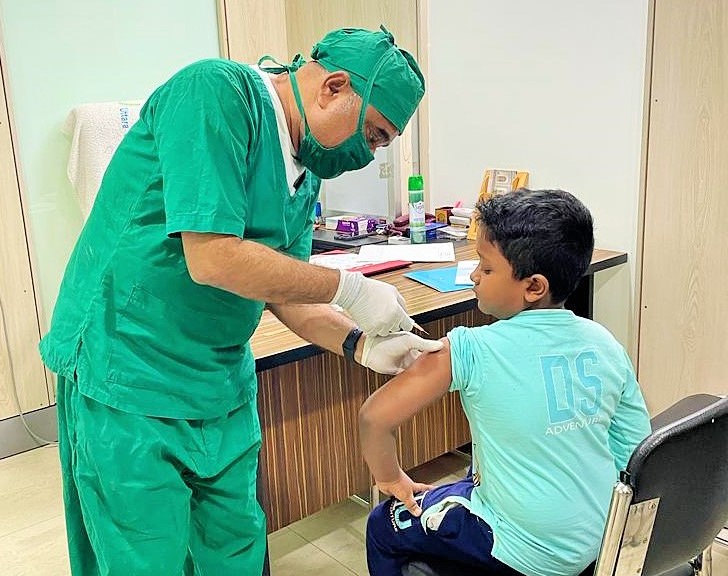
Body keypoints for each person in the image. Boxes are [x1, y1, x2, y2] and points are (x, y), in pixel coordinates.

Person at [40, 26, 443, 576]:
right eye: (373, 136)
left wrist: (360, 345)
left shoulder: (304, 169)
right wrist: (350, 288)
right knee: (142, 553)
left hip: (220, 381)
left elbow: (287, 292)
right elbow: (213, 257)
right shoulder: (216, 94)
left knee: (236, 549)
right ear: (334, 87)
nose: (367, 155)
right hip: (129, 369)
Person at [359, 189, 652, 576]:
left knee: (383, 524)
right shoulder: (606, 344)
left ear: (533, 287)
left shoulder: (469, 348)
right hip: (601, 539)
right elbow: (636, 452)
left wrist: (390, 478)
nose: (473, 276)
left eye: (485, 268)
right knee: (474, 478)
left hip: (525, 550)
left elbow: (373, 419)